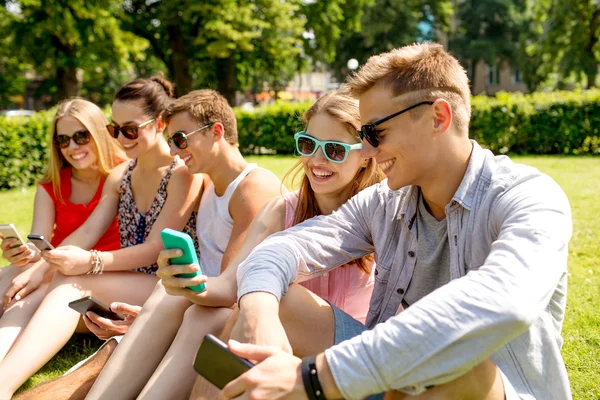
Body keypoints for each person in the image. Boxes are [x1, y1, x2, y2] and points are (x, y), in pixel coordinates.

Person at [218, 43, 573, 400]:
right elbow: (281, 249)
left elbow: (504, 301)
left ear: (438, 117)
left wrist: (316, 376)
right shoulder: (384, 202)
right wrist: (258, 314)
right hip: (389, 380)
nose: (368, 151)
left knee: (458, 368)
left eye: (375, 133)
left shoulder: (529, 198)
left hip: (485, 388)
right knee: (265, 302)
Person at [86, 90, 384, 400]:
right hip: (275, 341)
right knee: (182, 302)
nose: (317, 160)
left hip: (351, 351)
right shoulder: (281, 210)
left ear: (364, 155)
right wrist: (188, 283)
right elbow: (229, 286)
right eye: (308, 145)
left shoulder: (381, 211)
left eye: (334, 150)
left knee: (273, 299)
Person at [0, 73, 202, 399]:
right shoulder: (122, 173)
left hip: (170, 286)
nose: (121, 137)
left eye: (130, 129)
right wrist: (39, 268)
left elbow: (154, 249)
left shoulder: (182, 172)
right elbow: (88, 230)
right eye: (115, 129)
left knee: (71, 283)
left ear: (161, 122)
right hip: (131, 280)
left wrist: (90, 262)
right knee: (39, 284)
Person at [83, 89, 282, 400]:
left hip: (235, 314)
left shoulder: (252, 188)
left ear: (217, 131)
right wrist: (148, 318)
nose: (175, 151)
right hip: (200, 305)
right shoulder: (207, 184)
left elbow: (232, 289)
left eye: (180, 140)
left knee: (178, 303)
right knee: (166, 296)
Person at [0, 98, 125, 361]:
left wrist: (39, 268)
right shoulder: (52, 184)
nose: (73, 147)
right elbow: (39, 244)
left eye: (81, 136)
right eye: (63, 140)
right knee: (13, 273)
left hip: (96, 276)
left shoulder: (122, 174)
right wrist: (23, 254)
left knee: (29, 290)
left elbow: (87, 236)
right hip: (53, 266)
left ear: (99, 133)